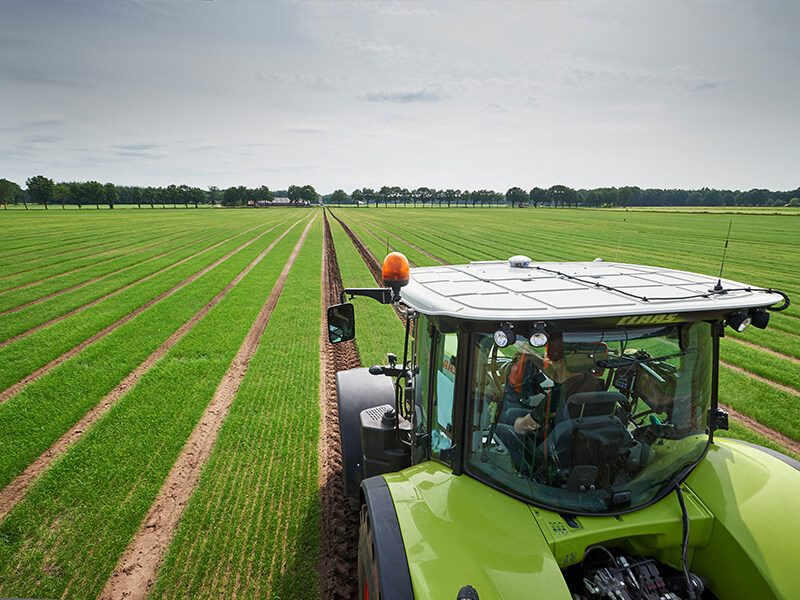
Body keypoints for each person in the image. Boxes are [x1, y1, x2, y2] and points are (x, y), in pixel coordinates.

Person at [496, 335, 604, 474]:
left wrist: (509, 418)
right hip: (573, 441)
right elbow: (556, 376)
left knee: (502, 427)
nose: (551, 365)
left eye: (553, 362)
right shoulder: (591, 383)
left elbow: (521, 428)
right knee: (512, 413)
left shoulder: (558, 396)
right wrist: (533, 359)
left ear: (561, 363)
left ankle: (525, 474)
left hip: (550, 452)